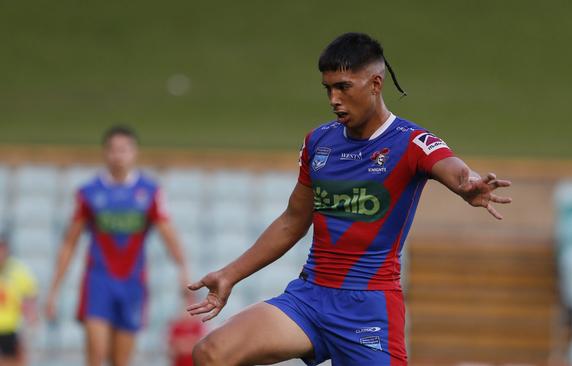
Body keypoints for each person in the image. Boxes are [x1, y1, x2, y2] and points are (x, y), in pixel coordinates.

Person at [188, 32, 512, 366]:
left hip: (367, 308)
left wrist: (469, 185)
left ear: (375, 84)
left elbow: (454, 169)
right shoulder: (319, 141)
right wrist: (229, 275)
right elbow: (292, 221)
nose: (333, 99)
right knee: (211, 353)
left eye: (343, 87)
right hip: (309, 298)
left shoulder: (412, 141)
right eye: (328, 88)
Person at [45, 126, 190, 366]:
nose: (118, 155)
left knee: (121, 361)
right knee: (96, 355)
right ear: (105, 153)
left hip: (133, 283)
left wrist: (183, 268)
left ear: (134, 153)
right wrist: (54, 289)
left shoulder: (149, 192)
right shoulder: (89, 193)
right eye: (113, 150)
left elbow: (168, 234)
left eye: (123, 149)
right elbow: (70, 242)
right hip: (98, 282)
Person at [0, 232, 38, 366]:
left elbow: (30, 300)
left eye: (2, 248)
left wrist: (30, 321)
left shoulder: (19, 271)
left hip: (11, 329)